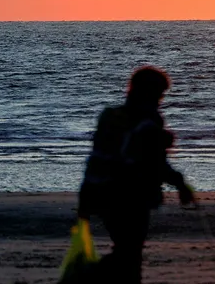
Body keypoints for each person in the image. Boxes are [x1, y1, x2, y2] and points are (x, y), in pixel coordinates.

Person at [73, 66, 195, 283]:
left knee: (126, 251)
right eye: (159, 94)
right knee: (129, 255)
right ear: (149, 93)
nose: (160, 100)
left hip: (98, 192)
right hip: (129, 197)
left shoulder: (110, 116)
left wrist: (85, 199)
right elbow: (153, 163)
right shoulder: (149, 122)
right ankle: (86, 277)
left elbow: (97, 158)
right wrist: (180, 184)